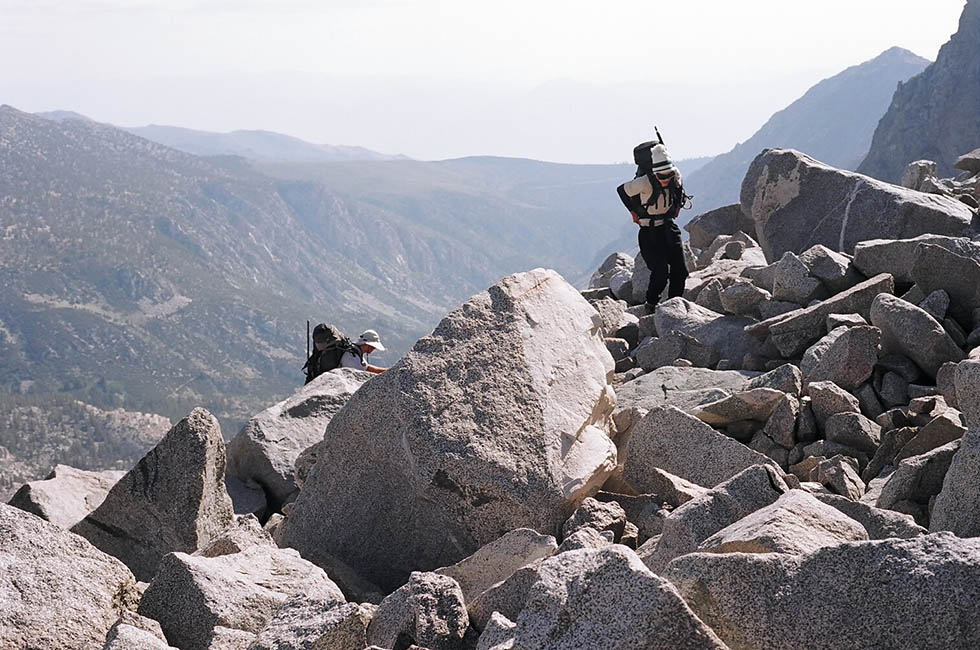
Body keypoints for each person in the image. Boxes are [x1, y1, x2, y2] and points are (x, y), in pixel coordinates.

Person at [616, 138, 690, 310]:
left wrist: (677, 206)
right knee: (660, 272)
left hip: (668, 227)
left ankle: (674, 305)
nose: (665, 179)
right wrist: (633, 212)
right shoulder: (644, 182)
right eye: (661, 176)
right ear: (655, 172)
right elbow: (622, 190)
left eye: (668, 175)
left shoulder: (675, 174)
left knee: (681, 270)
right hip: (649, 232)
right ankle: (650, 305)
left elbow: (679, 187)